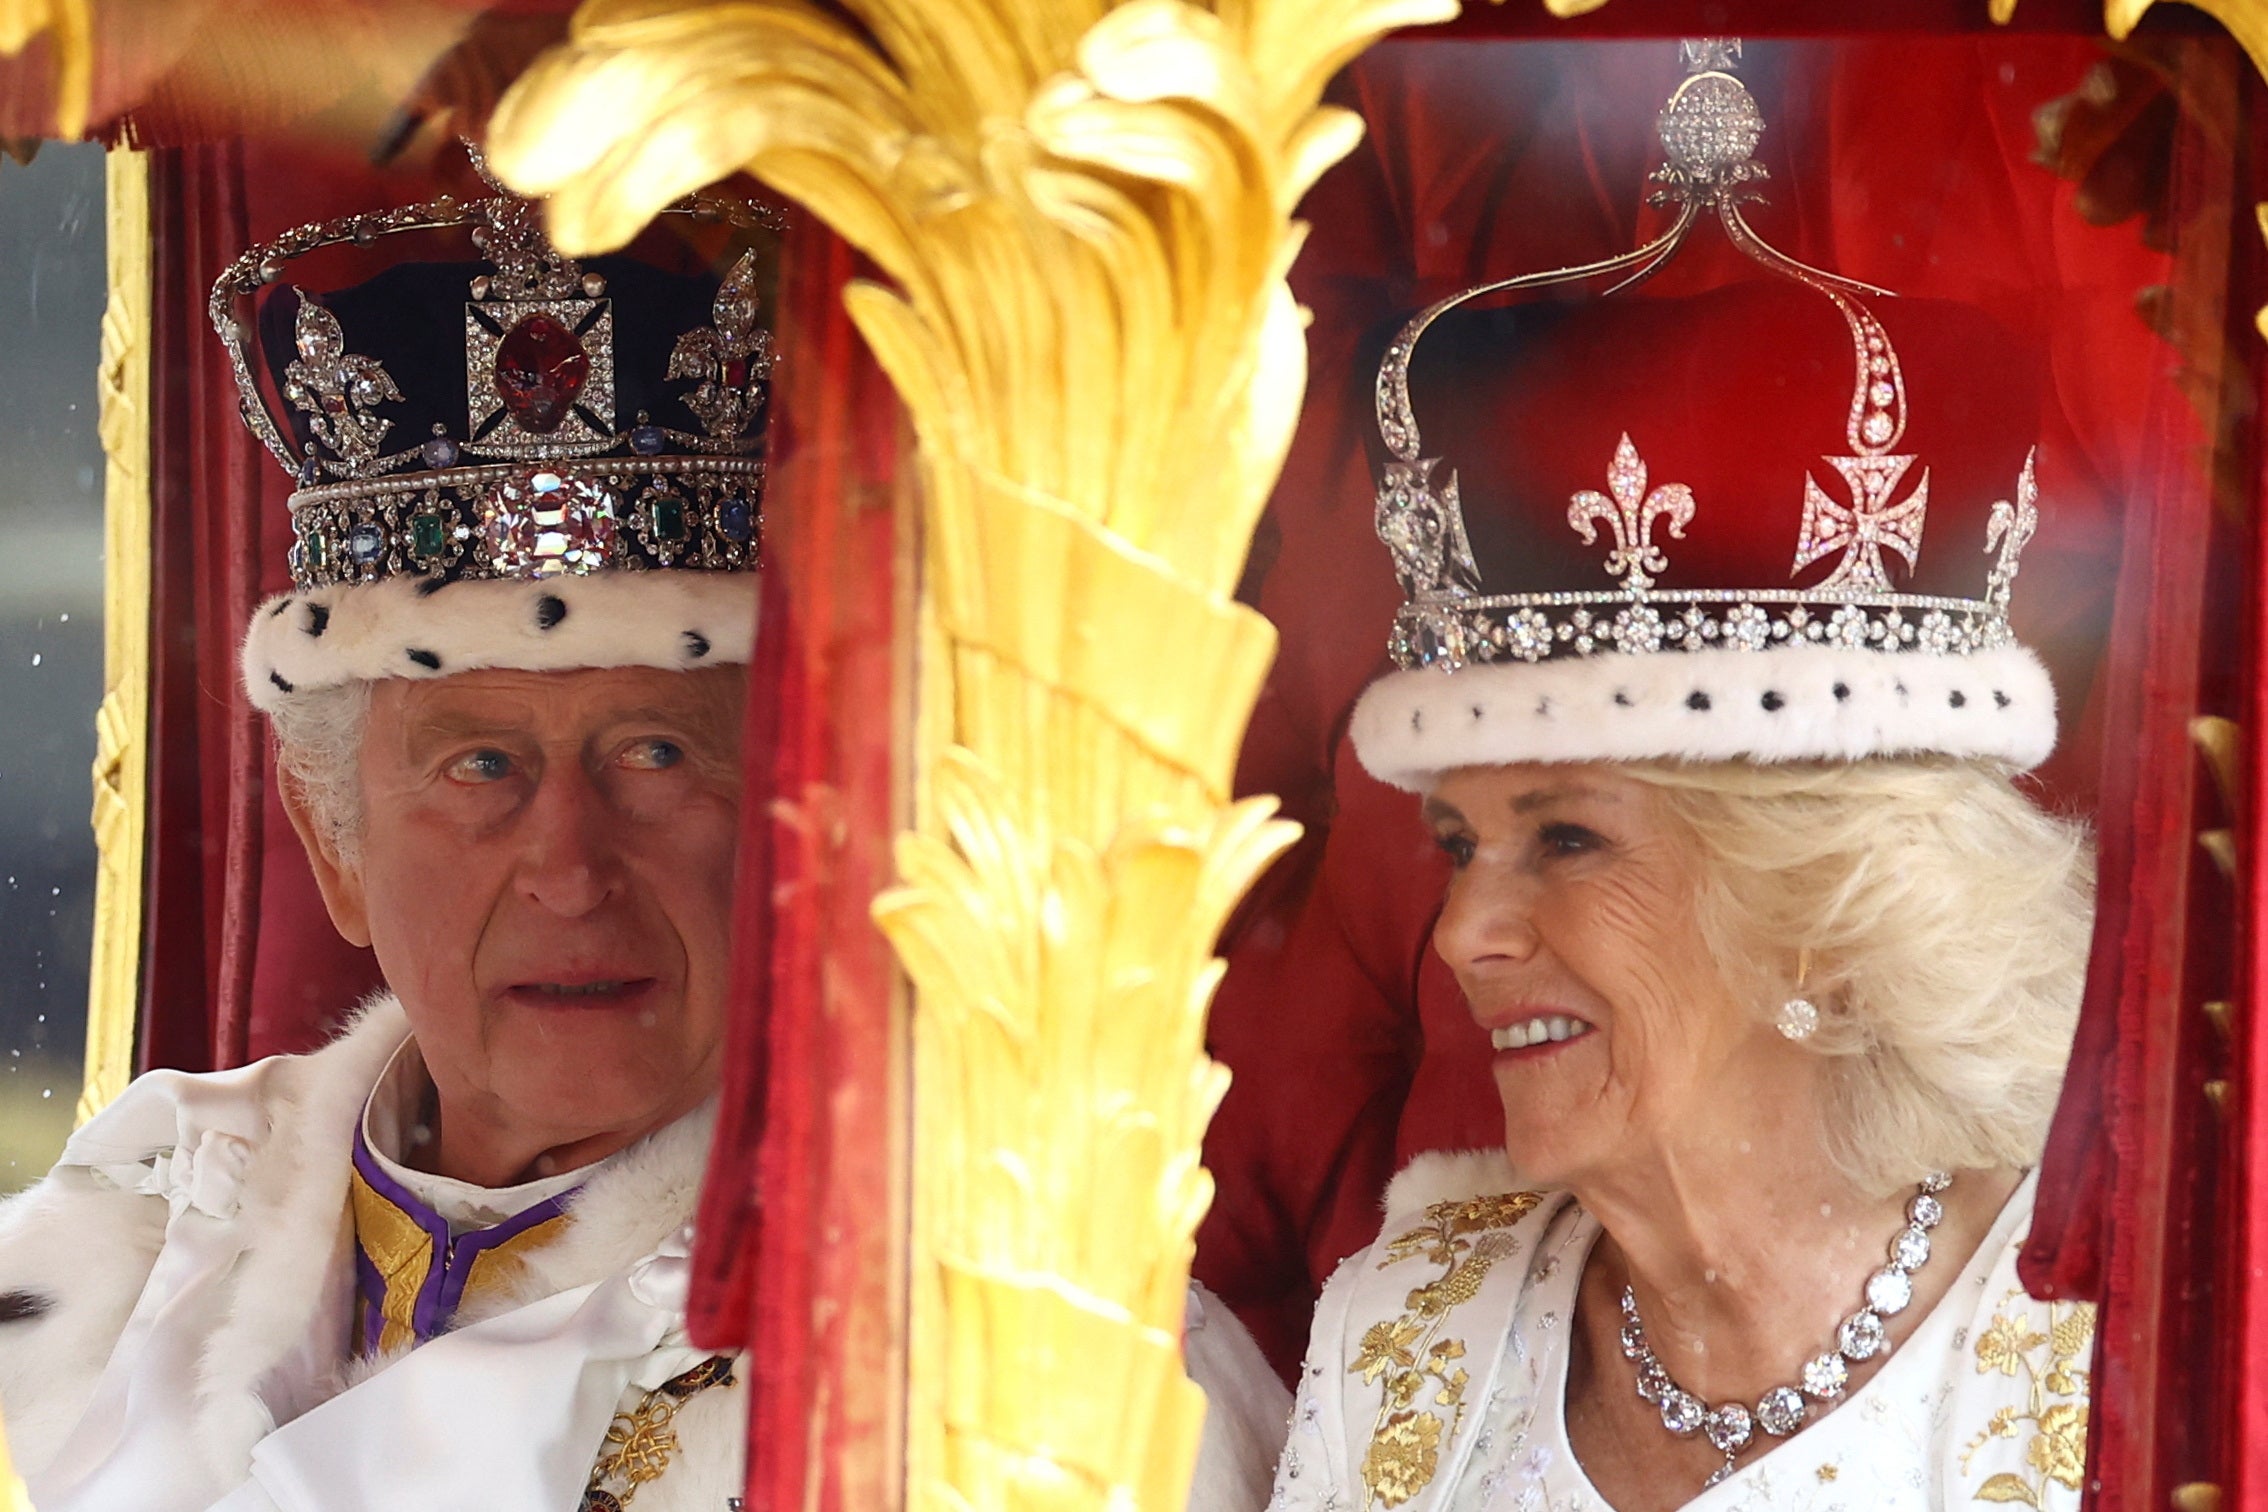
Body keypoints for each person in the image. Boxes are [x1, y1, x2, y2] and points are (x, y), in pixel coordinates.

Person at [0, 161, 1284, 1511]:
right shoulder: (137, 1234)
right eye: (482, 766)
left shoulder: (1022, 1368)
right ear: (335, 845)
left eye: (656, 754)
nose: (569, 871)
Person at [1266, 55, 2094, 1512]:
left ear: (1827, 907)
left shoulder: (2090, 1361)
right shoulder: (1400, 1341)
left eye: (1566, 838)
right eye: (1458, 840)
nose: (1463, 932)